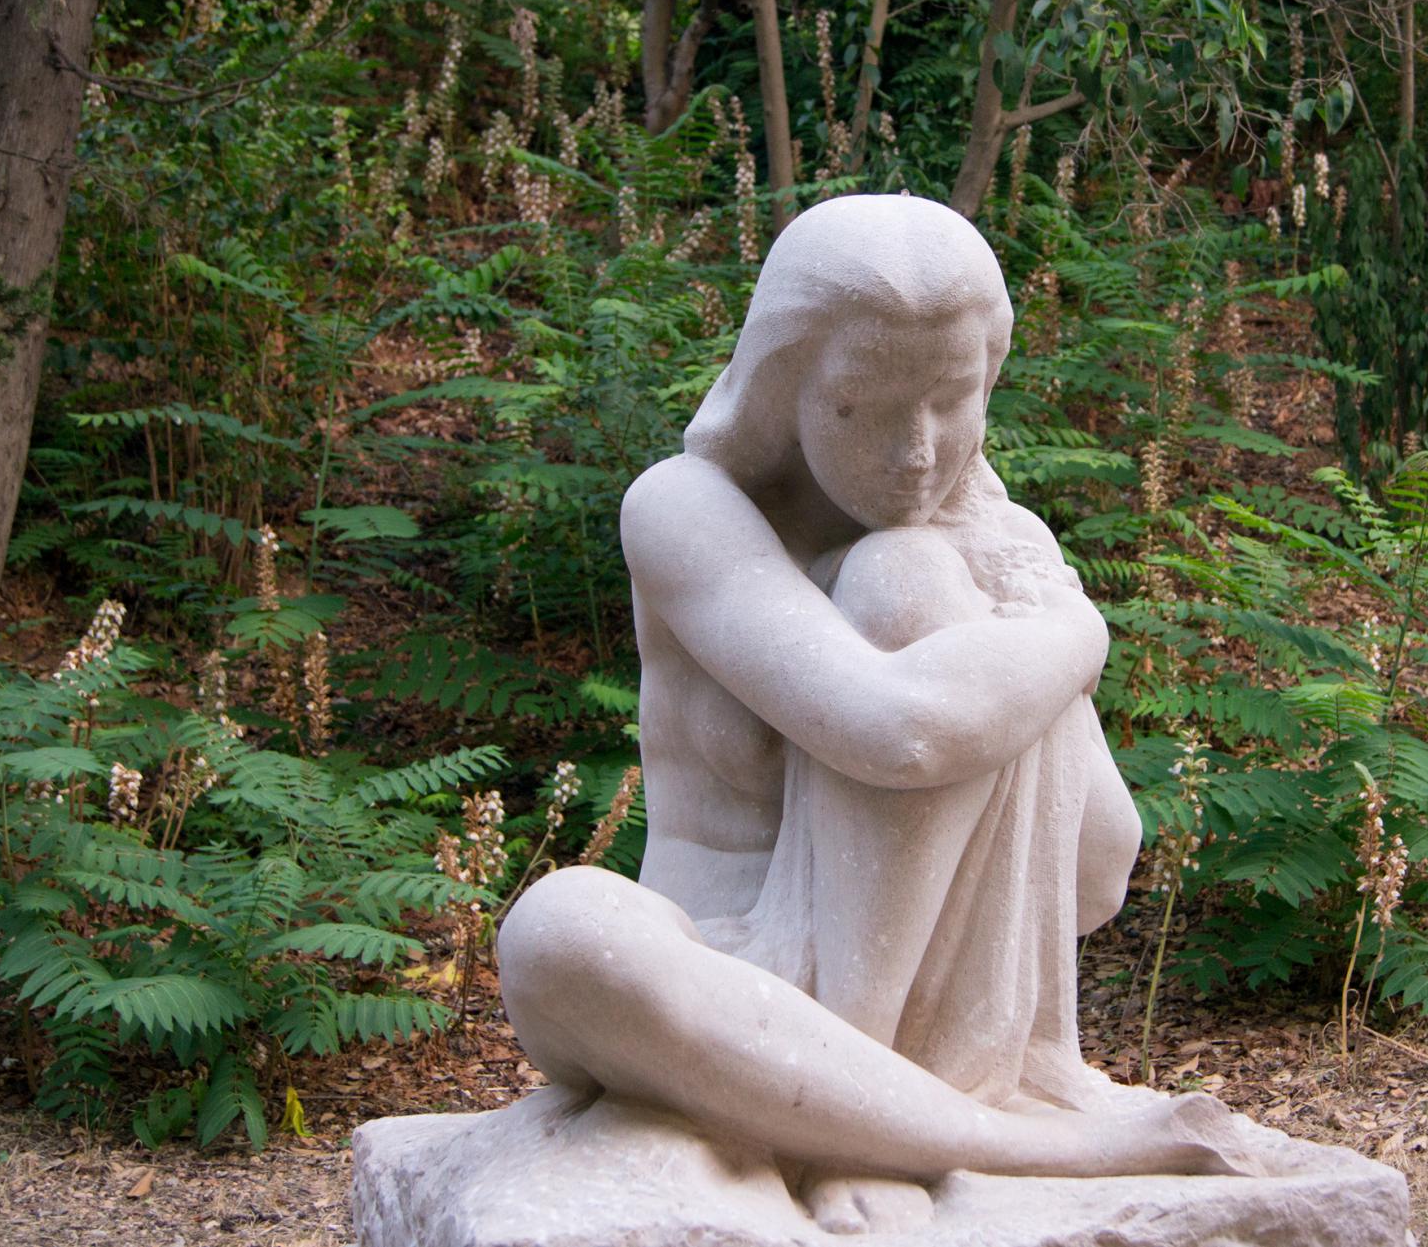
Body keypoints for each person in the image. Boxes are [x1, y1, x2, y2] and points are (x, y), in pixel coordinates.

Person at [498, 196, 1261, 1234]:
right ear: (784, 384)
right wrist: (1073, 634)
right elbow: (895, 732)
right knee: (557, 934)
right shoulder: (682, 509)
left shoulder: (992, 546)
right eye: (862, 404)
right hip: (735, 985)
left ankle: (885, 1127)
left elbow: (1096, 869)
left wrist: (1003, 586)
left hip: (943, 1026)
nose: (915, 452)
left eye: (952, 401)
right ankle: (1004, 1144)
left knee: (904, 576)